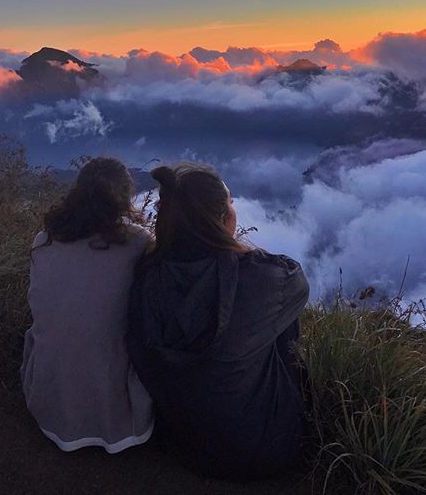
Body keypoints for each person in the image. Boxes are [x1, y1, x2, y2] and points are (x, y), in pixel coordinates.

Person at [128, 162, 309, 480]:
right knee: (281, 324)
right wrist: (237, 251)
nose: (235, 208)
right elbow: (296, 282)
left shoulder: (147, 276)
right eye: (230, 203)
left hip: (182, 442)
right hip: (266, 449)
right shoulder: (268, 279)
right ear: (221, 219)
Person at [21, 157, 154, 453]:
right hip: (112, 402)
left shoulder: (45, 238)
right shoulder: (137, 241)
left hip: (51, 391)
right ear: (123, 195)